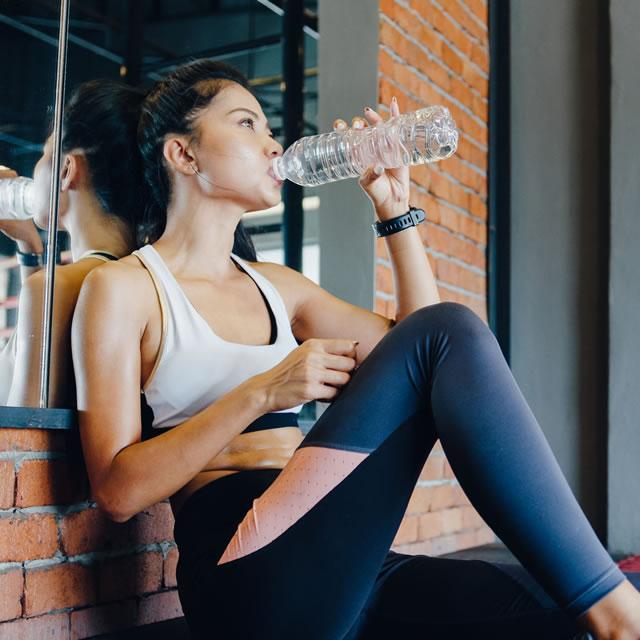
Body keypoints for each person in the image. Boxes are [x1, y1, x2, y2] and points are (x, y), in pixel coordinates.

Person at [71, 59, 640, 639]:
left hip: (337, 561)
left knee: (566, 610)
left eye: (270, 129)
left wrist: (395, 211)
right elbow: (118, 492)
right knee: (609, 607)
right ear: (183, 155)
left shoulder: (280, 287)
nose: (273, 145)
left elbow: (432, 363)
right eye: (246, 124)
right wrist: (263, 391)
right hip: (245, 572)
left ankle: (616, 611)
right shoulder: (124, 289)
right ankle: (621, 616)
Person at [0, 79, 146, 407]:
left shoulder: (63, 287)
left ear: (66, 170)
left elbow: (24, 441)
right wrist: (29, 248)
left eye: (45, 153)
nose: (35, 168)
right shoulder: (142, 272)